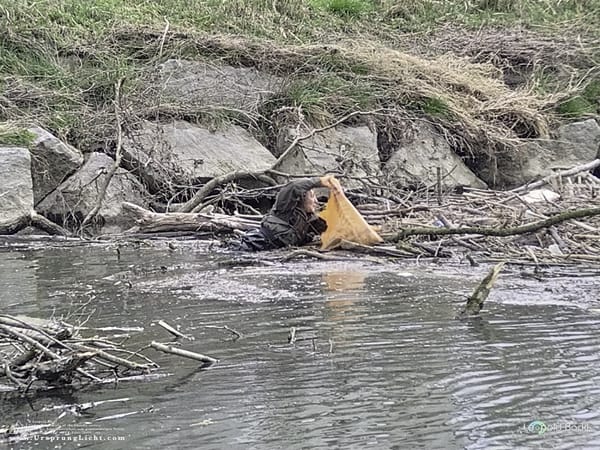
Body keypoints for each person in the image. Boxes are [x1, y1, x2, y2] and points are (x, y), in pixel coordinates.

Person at [236, 176, 337, 251]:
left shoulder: (310, 221)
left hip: (270, 251)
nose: (316, 201)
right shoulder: (284, 208)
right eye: (312, 196)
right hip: (251, 245)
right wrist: (319, 181)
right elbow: (293, 186)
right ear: (301, 198)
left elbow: (330, 227)